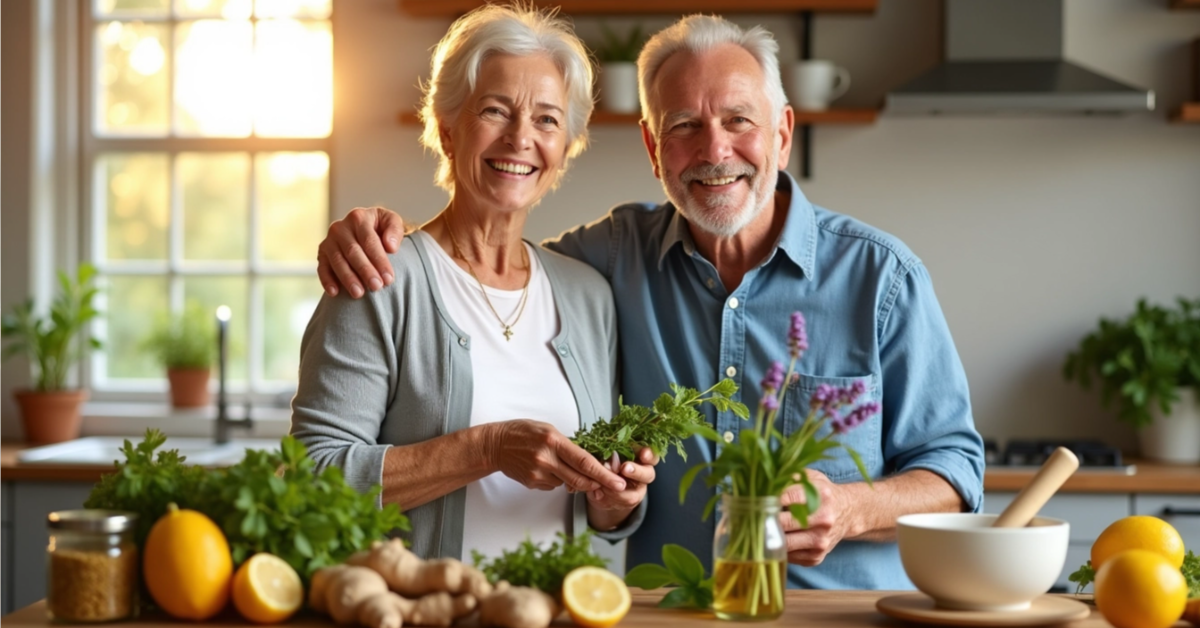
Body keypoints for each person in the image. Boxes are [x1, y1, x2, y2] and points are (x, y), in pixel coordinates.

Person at [314, 15, 985, 589]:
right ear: (652, 146)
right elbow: (478, 254)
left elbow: (957, 469)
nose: (714, 150)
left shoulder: (880, 278)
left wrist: (852, 508)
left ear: (782, 133)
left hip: (830, 618)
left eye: (737, 121)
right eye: (685, 125)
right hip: (665, 616)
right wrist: (369, 231)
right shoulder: (604, 261)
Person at [289, 5, 656, 564]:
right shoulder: (380, 276)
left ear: (566, 149)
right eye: (495, 110)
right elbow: (310, 481)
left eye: (547, 120)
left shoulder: (588, 296)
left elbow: (596, 517)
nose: (520, 138)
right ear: (447, 128)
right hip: (422, 610)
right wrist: (487, 448)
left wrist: (614, 500)